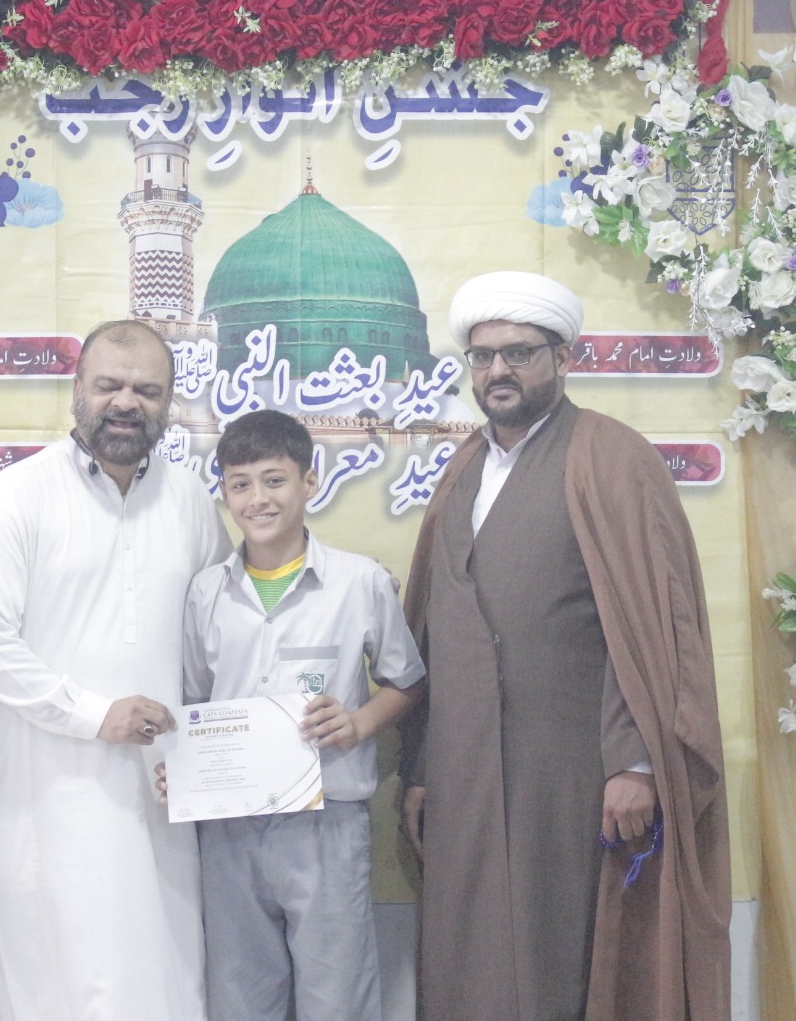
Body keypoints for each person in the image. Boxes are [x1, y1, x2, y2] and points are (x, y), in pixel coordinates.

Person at [398, 272, 731, 1020]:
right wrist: (419, 770)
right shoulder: (462, 470)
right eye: (483, 357)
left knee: (563, 955)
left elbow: (652, 627)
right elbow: (431, 634)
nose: (498, 371)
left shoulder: (611, 459)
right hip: (464, 773)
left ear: (563, 357)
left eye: (519, 353)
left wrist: (635, 763)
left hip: (574, 773)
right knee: (470, 959)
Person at [0, 318, 229, 1020]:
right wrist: (94, 714)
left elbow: (217, 636)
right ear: (78, 390)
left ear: (169, 402)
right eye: (109, 385)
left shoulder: (191, 502)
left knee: (165, 979)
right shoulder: (18, 494)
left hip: (163, 792)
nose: (126, 403)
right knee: (69, 987)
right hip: (50, 795)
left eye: (146, 390)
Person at [177, 410, 426, 1021]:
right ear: (224, 491)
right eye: (240, 484)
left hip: (327, 824)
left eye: (274, 480)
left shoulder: (359, 582)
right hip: (230, 829)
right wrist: (181, 767)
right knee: (240, 997)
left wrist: (358, 723)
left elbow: (408, 682)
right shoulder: (205, 593)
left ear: (309, 482)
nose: (257, 499)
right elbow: (195, 704)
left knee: (337, 998)